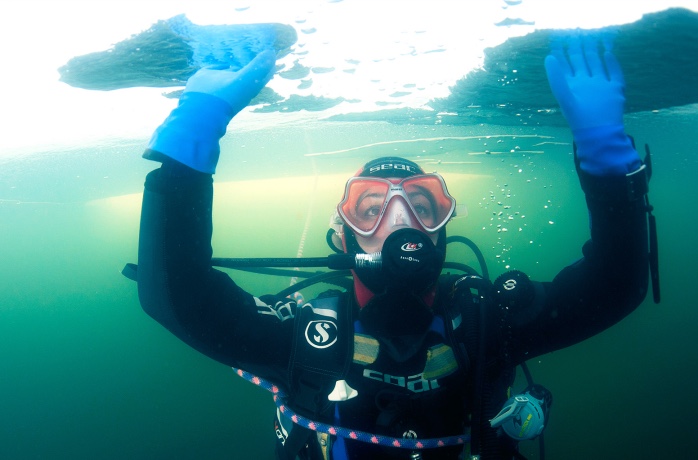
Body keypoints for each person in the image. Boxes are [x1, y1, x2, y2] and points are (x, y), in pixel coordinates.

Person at [136, 35, 654, 460]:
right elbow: (175, 294)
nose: (400, 222)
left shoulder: (483, 322)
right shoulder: (302, 335)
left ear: (443, 228)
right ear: (343, 235)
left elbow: (614, 285)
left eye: (423, 206)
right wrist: (191, 138)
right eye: (371, 208)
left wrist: (607, 157)